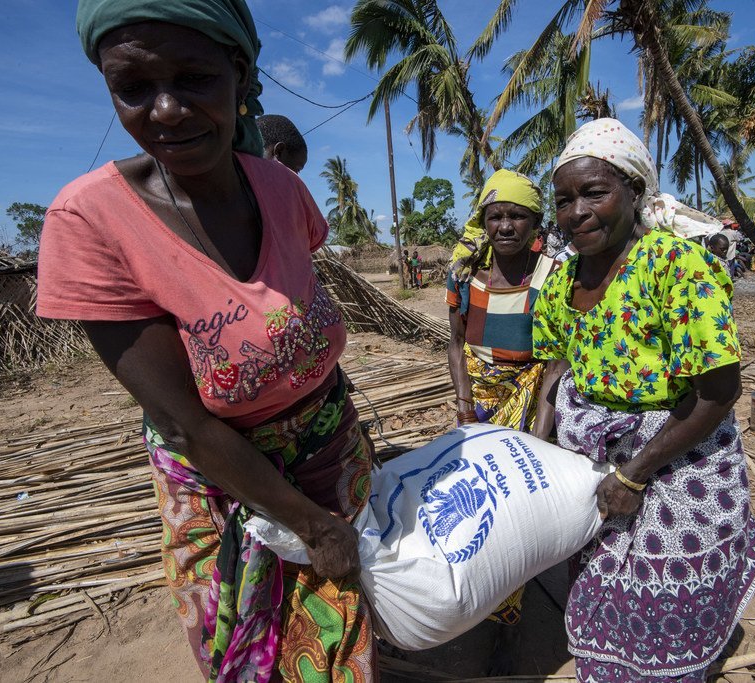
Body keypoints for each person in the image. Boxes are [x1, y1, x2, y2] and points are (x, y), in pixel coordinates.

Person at [36, 2, 376, 681]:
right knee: (254, 656)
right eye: (133, 86)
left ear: (239, 72)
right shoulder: (90, 222)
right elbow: (185, 421)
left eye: (192, 78)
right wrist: (312, 525)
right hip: (224, 483)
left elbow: (292, 303)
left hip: (331, 452)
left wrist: (332, 503)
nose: (164, 110)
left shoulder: (282, 190)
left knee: (338, 651)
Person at [531, 118, 755, 681]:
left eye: (595, 192)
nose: (577, 212)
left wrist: (634, 475)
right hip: (594, 466)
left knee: (667, 604)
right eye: (563, 200)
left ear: (635, 193)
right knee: (599, 584)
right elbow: (557, 365)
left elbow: (718, 391)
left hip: (675, 464)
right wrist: (534, 448)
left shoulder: (675, 266)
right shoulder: (564, 280)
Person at [445, 168, 559, 675]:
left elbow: (556, 361)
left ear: (536, 221)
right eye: (496, 216)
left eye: (518, 216)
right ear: (483, 221)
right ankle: (476, 605)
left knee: (513, 517)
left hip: (533, 401)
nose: (506, 226)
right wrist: (466, 407)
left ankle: (507, 625)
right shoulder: (465, 274)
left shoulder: (551, 273)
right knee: (472, 509)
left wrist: (539, 433)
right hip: (479, 409)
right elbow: (455, 345)